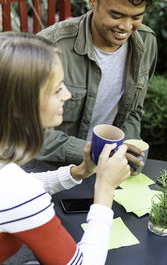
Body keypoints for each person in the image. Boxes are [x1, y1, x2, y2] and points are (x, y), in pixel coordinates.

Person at [0, 32, 130, 264]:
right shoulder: (16, 190)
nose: (68, 95)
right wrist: (105, 189)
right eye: (58, 88)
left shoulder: (10, 179)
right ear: (19, 104)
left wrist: (77, 172)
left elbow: (17, 185)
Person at [34, 0, 157, 169]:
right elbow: (28, 130)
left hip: (108, 168)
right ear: (93, 1)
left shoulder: (147, 41)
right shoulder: (50, 46)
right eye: (116, 15)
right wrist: (94, 154)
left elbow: (134, 111)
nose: (126, 27)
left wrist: (126, 150)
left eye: (136, 17)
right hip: (50, 171)